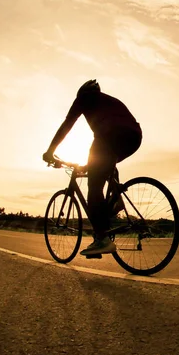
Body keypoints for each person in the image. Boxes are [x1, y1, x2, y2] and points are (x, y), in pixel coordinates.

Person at [43, 80, 142, 256]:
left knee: (94, 187)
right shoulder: (109, 100)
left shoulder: (83, 98)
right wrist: (90, 165)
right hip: (134, 136)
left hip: (109, 134)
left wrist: (50, 151)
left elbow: (67, 125)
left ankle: (102, 239)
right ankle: (116, 198)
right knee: (106, 165)